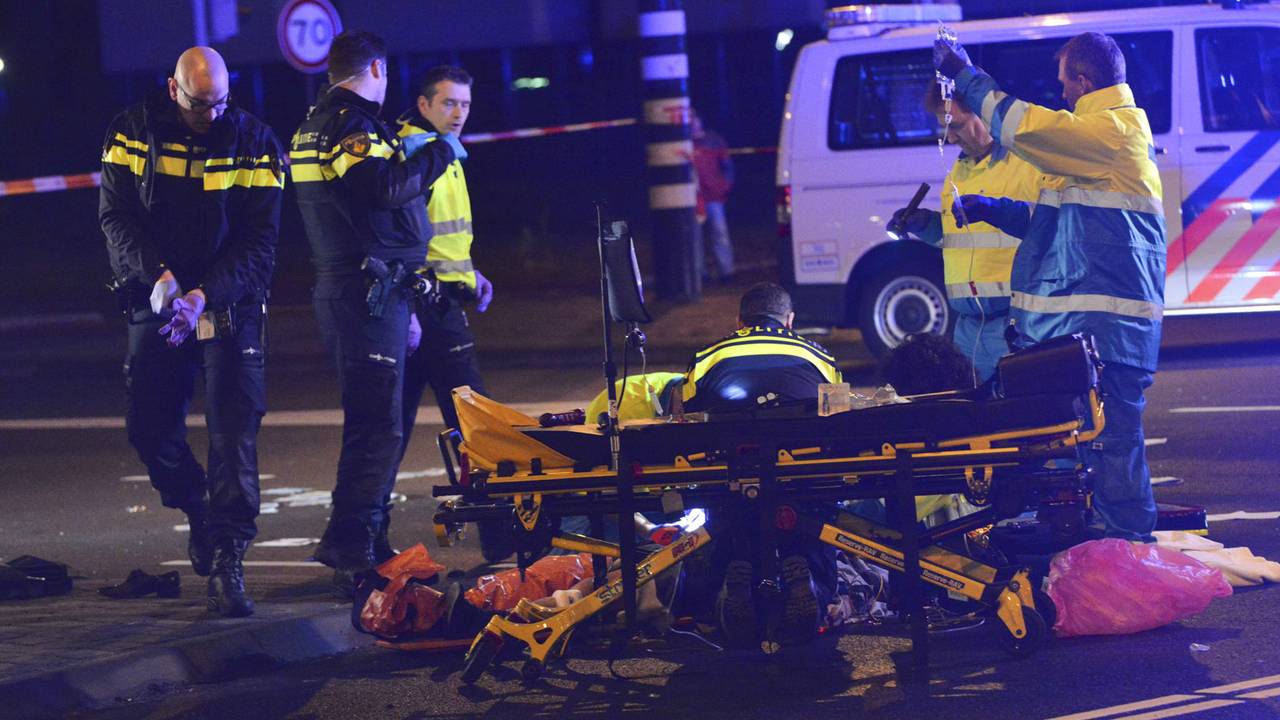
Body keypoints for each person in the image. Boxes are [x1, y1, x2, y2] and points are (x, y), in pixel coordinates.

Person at [936, 31, 1165, 540]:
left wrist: (969, 78)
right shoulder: (1100, 141)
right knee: (1089, 450)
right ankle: (1109, 556)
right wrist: (1002, 212)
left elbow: (1030, 128)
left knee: (1112, 451)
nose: (1060, 93)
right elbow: (1060, 226)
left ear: (1083, 82)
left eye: (1064, 83)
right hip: (1090, 332)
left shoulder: (1109, 131)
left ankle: (1129, 559)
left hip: (1107, 332)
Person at [99, 47, 284, 617]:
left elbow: (260, 244)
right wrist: (158, 277)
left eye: (222, 103)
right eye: (202, 105)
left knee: (233, 435)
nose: (213, 115)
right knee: (149, 428)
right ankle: (198, 507)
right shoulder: (129, 133)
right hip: (158, 299)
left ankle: (228, 561)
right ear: (174, 89)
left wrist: (204, 294)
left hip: (228, 304)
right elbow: (116, 217)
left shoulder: (256, 143)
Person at [289, 30, 460, 592]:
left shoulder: (321, 121)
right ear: (378, 69)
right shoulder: (349, 125)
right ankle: (350, 543)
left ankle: (366, 533)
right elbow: (381, 191)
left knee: (379, 422)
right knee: (375, 423)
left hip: (367, 288)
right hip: (363, 291)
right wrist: (436, 150)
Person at [680, 282, 842, 646]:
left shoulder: (707, 356)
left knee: (722, 525)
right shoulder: (820, 356)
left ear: (739, 321)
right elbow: (839, 422)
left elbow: (685, 422)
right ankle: (814, 586)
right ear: (789, 321)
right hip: (799, 477)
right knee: (817, 521)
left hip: (730, 479)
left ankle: (728, 584)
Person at [888, 85, 1054, 383]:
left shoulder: (1029, 162)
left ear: (986, 114)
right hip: (967, 328)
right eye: (945, 129)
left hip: (1016, 324)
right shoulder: (960, 169)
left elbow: (1049, 229)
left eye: (957, 126)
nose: (950, 137)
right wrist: (925, 224)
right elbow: (960, 240)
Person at [690, 109, 735, 285]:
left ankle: (726, 271)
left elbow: (728, 166)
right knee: (696, 237)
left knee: (719, 233)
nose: (692, 123)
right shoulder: (685, 144)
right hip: (693, 199)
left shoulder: (713, 141)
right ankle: (701, 274)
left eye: (694, 119)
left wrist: (724, 186)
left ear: (700, 121)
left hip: (714, 197)